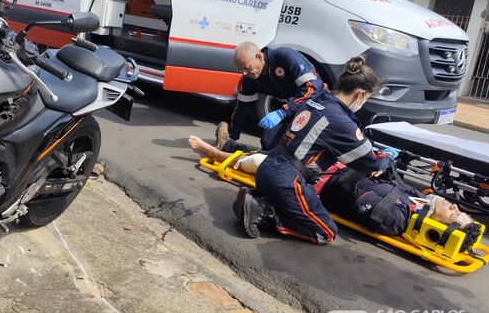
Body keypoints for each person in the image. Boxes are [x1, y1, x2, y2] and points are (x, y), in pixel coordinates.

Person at [237, 56, 393, 244]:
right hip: (288, 180)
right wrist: (387, 157)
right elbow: (370, 160)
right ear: (360, 94)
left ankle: (259, 200)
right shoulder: (341, 121)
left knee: (304, 205)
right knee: (324, 232)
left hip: (268, 167)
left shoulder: (318, 98)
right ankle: (265, 211)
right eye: (366, 98)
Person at [188, 137, 476, 237]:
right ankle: (227, 144)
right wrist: (383, 165)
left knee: (265, 163)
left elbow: (358, 199)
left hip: (322, 182)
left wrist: (372, 175)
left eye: (453, 214)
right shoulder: (415, 201)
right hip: (333, 168)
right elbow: (391, 180)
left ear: (439, 226)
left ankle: (216, 153)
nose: (453, 205)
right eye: (456, 207)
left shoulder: (399, 218)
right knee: (280, 150)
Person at [216, 42, 326, 152]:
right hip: (289, 107)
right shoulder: (249, 78)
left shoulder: (285, 57)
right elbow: (242, 108)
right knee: (268, 143)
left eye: (247, 68)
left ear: (259, 57)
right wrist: (233, 138)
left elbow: (312, 91)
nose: (244, 73)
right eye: (241, 70)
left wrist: (282, 112)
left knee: (298, 149)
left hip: (315, 106)